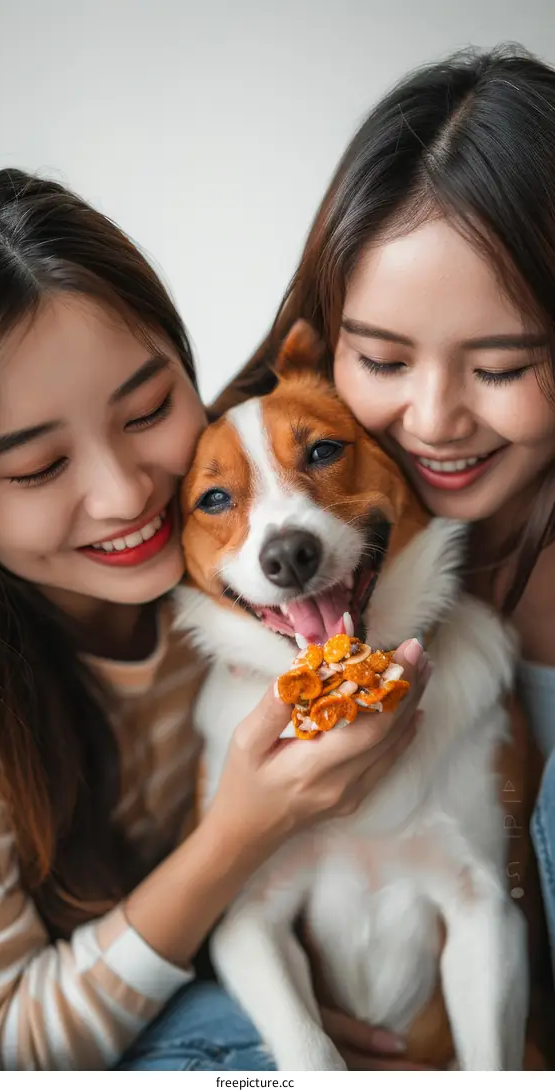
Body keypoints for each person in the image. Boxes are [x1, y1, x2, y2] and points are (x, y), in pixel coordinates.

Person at [0, 168, 429, 1072]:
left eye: (147, 410)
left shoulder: (258, 532)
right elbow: (0, 1045)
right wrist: (239, 832)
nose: (127, 490)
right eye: (37, 468)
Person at [216, 44, 555, 989]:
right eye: (385, 360)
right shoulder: (262, 512)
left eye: (500, 367)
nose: (436, 420)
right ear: (326, 346)